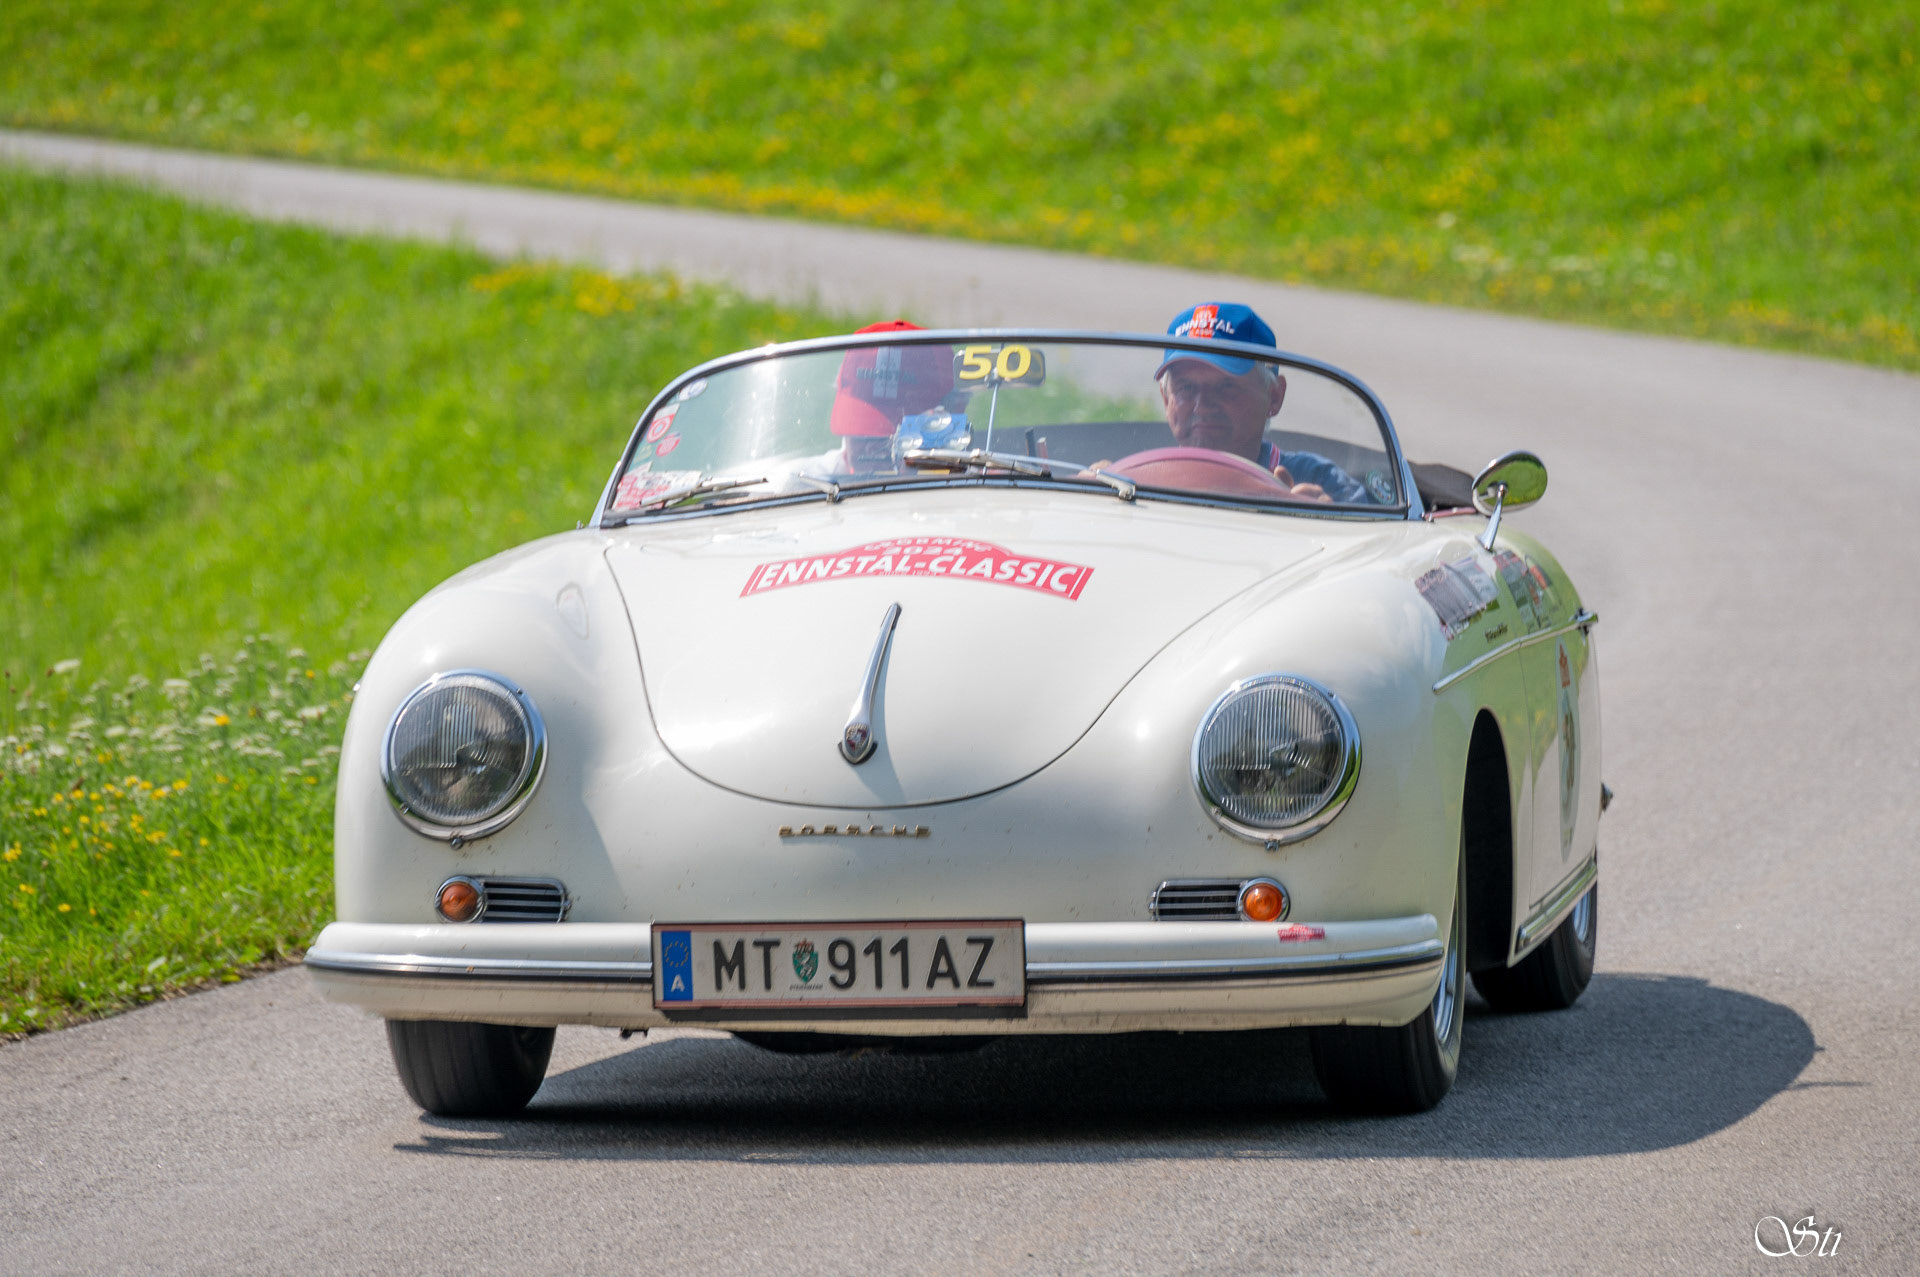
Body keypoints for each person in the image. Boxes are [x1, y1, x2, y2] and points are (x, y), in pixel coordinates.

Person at [1156, 303, 1368, 503]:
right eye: (1186, 388)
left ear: (1273, 396)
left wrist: (1327, 526)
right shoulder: (1137, 480)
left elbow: (1372, 536)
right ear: (1166, 399)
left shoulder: (1321, 480)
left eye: (1226, 387)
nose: (1201, 405)